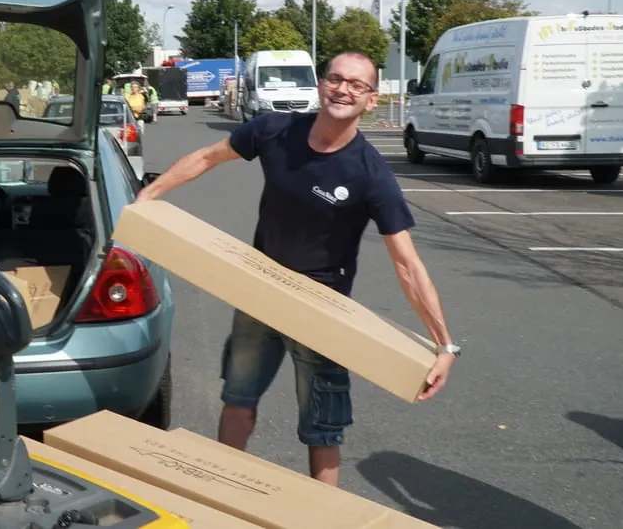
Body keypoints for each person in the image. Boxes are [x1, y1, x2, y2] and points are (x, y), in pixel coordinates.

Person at [135, 51, 457, 487]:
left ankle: (321, 514)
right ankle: (219, 498)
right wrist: (148, 197)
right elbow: (208, 157)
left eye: (356, 85)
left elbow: (407, 264)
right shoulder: (275, 130)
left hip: (321, 309)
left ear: (371, 100)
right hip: (260, 292)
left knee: (322, 428)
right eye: (335, 79)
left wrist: (444, 345)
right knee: (237, 400)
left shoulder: (371, 174)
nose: (343, 90)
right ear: (321, 84)